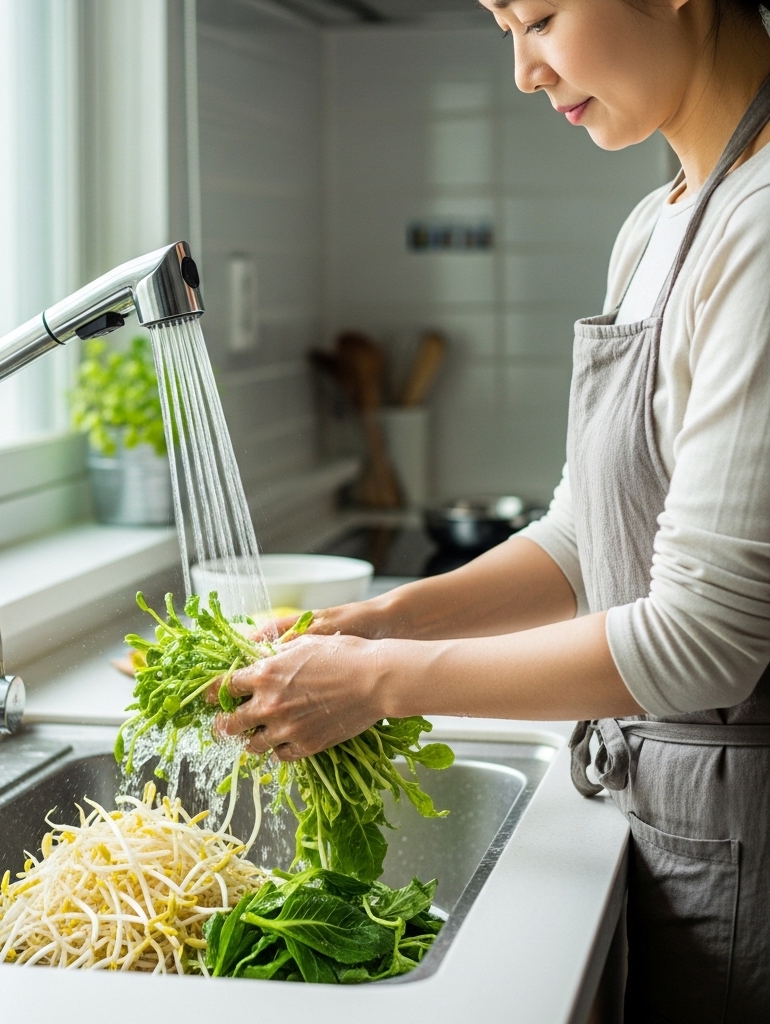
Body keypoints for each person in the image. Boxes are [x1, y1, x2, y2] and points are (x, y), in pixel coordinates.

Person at [209, 0, 770, 1019]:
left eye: (540, 16)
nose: (524, 70)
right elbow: (583, 534)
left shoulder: (762, 230)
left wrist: (380, 683)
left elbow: (705, 639)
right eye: (504, 25)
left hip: (745, 839)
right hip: (667, 808)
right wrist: (383, 621)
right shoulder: (657, 226)